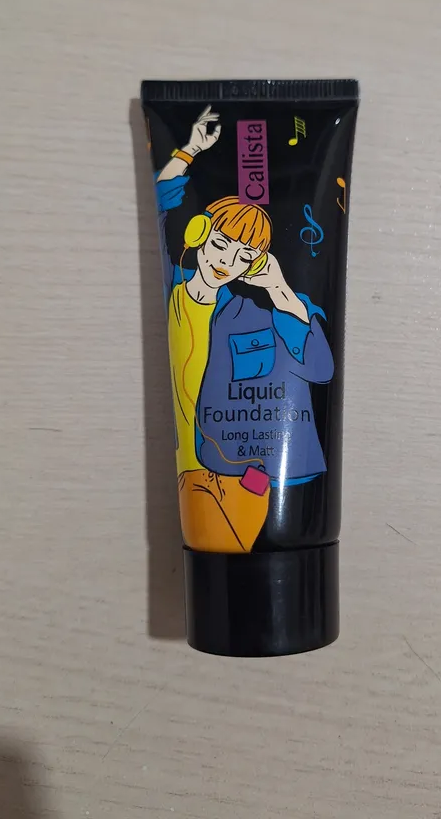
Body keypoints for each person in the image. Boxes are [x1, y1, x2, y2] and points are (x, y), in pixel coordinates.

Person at [155, 106, 334, 553]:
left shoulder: (251, 314)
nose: (226, 261)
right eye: (220, 244)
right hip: (188, 472)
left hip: (239, 476)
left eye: (243, 257)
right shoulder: (174, 289)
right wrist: (190, 150)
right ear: (199, 235)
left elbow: (320, 368)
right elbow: (164, 197)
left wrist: (279, 290)